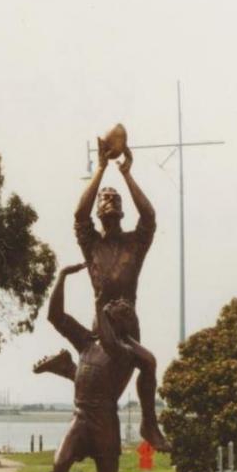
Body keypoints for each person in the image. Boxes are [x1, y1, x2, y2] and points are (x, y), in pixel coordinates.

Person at [40, 261, 156, 472]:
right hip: (80, 418)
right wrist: (61, 279)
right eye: (110, 305)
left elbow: (107, 337)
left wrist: (101, 300)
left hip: (105, 422)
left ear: (124, 322)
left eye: (119, 308)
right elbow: (56, 317)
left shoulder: (123, 352)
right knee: (59, 465)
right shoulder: (86, 343)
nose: (112, 306)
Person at [72, 142, 167, 451]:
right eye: (104, 199)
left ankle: (148, 423)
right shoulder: (92, 246)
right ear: (99, 211)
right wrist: (100, 168)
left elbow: (150, 217)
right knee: (102, 391)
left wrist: (126, 173)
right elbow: (78, 214)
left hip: (128, 330)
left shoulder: (134, 245)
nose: (109, 202)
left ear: (122, 210)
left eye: (115, 199)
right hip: (103, 331)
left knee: (145, 366)